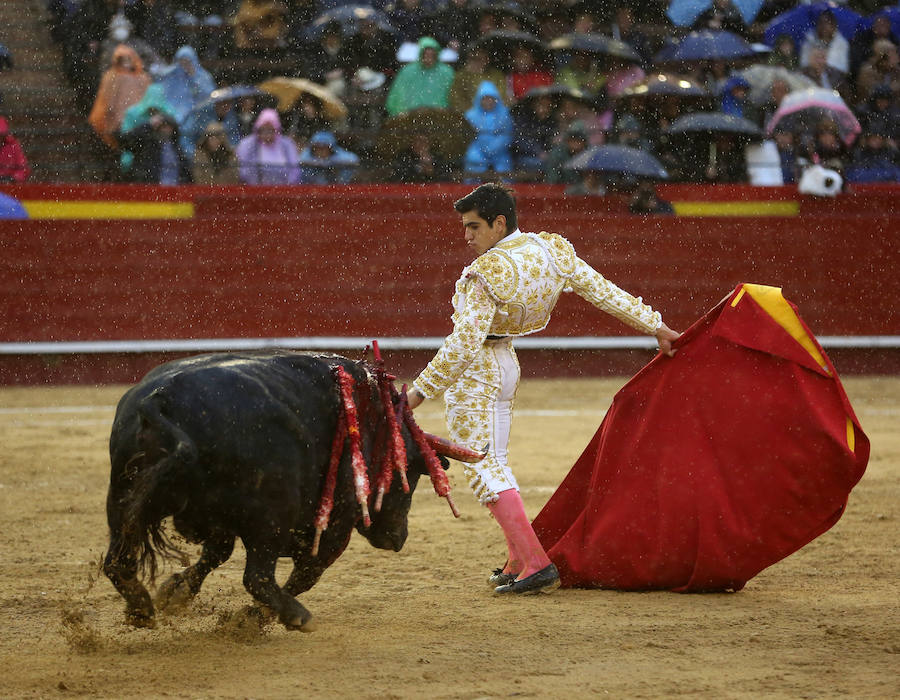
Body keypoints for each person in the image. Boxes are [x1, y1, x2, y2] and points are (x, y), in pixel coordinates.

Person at [406, 183, 680, 594]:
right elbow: (603, 292)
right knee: (494, 459)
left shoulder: (484, 274)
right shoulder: (551, 250)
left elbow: (463, 343)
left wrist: (417, 394)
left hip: (477, 374)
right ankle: (519, 556)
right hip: (506, 367)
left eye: (474, 226)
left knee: (482, 467)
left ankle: (534, 562)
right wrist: (656, 327)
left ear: (499, 223)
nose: (467, 237)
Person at [88, 44, 152, 150]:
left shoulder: (142, 78)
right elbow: (107, 100)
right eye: (123, 60)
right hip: (116, 120)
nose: (126, 64)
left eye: (128, 60)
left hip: (137, 120)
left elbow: (147, 99)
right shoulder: (110, 77)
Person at [385, 36, 455, 116]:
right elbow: (396, 96)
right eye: (426, 54)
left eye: (432, 54)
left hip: (439, 116)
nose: (429, 57)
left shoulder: (446, 72)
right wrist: (401, 112)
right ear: (421, 54)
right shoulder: (408, 71)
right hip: (411, 116)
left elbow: (454, 96)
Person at [117, 111, 191, 184]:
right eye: (163, 126)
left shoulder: (177, 149)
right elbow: (125, 141)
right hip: (150, 189)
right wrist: (148, 125)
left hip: (174, 191)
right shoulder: (147, 145)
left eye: (169, 127)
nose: (166, 130)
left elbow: (185, 172)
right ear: (157, 128)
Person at [462, 80, 513, 179]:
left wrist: (496, 146)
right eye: (485, 99)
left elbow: (508, 135)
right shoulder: (470, 115)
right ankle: (471, 190)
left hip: (500, 151)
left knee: (503, 166)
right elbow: (466, 137)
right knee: (473, 160)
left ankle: (506, 191)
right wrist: (482, 147)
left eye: (491, 99)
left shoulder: (504, 114)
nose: (488, 102)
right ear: (479, 100)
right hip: (477, 149)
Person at [235, 108, 302, 184]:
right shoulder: (247, 144)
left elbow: (295, 170)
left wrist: (286, 186)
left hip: (282, 190)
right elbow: (242, 170)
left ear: (277, 130)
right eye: (263, 130)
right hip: (254, 190)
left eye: (270, 130)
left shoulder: (287, 144)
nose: (267, 135)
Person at [0, 117, 30, 183]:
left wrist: (13, 178)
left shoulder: (13, 146)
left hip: (10, 186)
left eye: (1, 135)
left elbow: (24, 169)